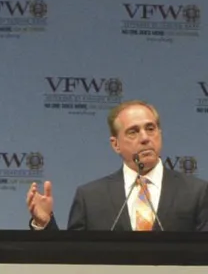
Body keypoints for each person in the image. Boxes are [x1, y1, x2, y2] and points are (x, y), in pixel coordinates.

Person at [27, 99, 208, 233]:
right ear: (115, 144)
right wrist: (44, 224)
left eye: (150, 129)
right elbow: (72, 257)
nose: (145, 138)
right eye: (133, 132)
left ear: (160, 133)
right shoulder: (90, 198)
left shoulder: (197, 192)